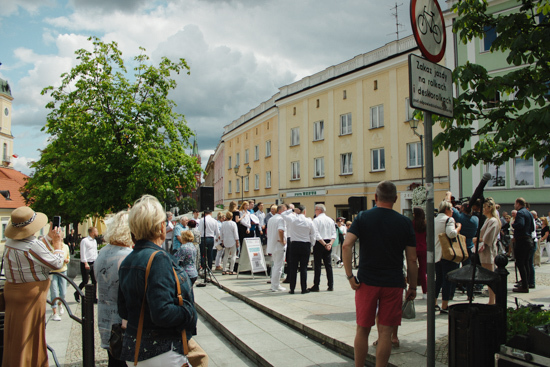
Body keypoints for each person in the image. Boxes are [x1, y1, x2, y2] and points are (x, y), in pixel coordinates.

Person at [342, 181, 417, 367]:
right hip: (393, 282)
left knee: (362, 329)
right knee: (385, 332)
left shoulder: (363, 217)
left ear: (375, 198)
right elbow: (412, 259)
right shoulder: (405, 223)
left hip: (366, 281)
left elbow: (346, 245)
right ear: (395, 199)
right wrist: (413, 286)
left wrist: (350, 276)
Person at [118, 195, 197, 366]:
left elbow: (123, 310)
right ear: (161, 227)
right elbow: (162, 312)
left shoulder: (128, 261)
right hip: (161, 350)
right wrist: (188, 311)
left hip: (136, 348)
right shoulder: (158, 258)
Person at [2, 207, 65, 367]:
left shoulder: (10, 242)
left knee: (15, 335)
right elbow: (57, 263)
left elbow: (33, 250)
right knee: (29, 336)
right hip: (30, 295)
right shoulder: (32, 245)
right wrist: (57, 244)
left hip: (13, 291)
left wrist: (47, 238)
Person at [94, 210, 133, 367]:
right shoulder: (128, 255)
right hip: (122, 322)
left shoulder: (102, 252)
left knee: (113, 359)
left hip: (105, 317)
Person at [282, 205, 316, 294]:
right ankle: (303, 289)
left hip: (294, 244)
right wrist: (311, 244)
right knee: (304, 268)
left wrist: (292, 210)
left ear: (297, 211)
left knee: (293, 267)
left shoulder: (293, 219)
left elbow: (283, 214)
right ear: (304, 211)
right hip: (305, 244)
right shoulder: (309, 221)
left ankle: (292, 288)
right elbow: (313, 234)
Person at [434, 200, 461, 313]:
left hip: (437, 254)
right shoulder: (449, 220)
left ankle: (434, 302)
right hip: (447, 254)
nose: (453, 212)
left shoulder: (435, 220)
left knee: (438, 280)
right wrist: (458, 227)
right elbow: (452, 234)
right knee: (447, 280)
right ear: (446, 209)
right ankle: (444, 305)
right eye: (451, 209)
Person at [475, 198, 501, 304]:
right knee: (487, 276)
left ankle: (492, 300)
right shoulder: (488, 220)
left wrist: (477, 239)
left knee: (490, 276)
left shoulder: (493, 221)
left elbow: (487, 238)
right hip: (485, 250)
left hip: (488, 250)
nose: (483, 209)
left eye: (485, 207)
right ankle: (491, 299)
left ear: (489, 208)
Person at [310, 204, 336, 292]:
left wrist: (324, 244)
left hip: (320, 243)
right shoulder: (330, 220)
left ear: (319, 210)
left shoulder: (316, 220)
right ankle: (331, 285)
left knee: (317, 265)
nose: (315, 211)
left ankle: (316, 285)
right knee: (328, 265)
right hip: (329, 241)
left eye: (315, 210)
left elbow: (316, 234)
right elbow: (334, 233)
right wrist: (330, 244)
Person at [512, 197, 535, 293]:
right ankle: (527, 283)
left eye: (515, 204)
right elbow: (533, 228)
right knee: (526, 263)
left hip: (522, 241)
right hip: (529, 240)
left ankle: (524, 286)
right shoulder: (529, 213)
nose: (514, 205)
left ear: (518, 204)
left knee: (520, 263)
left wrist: (514, 224)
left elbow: (520, 225)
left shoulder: (520, 213)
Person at [48, 236, 71, 321]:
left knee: (63, 293)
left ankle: (60, 303)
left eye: (60, 238)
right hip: (53, 272)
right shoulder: (51, 247)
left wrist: (66, 260)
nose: (60, 239)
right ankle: (54, 312)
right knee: (54, 292)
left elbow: (68, 257)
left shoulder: (65, 247)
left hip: (63, 270)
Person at [266, 204, 287, 291]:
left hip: (272, 244)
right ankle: (275, 285)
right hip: (278, 244)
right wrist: (282, 240)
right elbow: (280, 230)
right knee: (278, 266)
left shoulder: (271, 218)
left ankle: (274, 284)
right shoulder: (281, 219)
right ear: (280, 211)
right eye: (285, 211)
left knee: (275, 265)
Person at [75, 226, 99, 303]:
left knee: (94, 281)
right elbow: (83, 253)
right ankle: (77, 293)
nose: (97, 233)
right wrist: (85, 263)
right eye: (96, 231)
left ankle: (94, 298)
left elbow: (95, 252)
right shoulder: (84, 241)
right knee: (85, 281)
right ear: (92, 233)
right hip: (86, 263)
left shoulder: (94, 241)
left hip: (93, 262)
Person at [412, 207, 427, 299]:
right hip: (423, 248)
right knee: (423, 270)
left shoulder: (412, 223)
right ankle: (425, 291)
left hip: (413, 248)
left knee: (412, 269)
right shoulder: (425, 224)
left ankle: (412, 288)